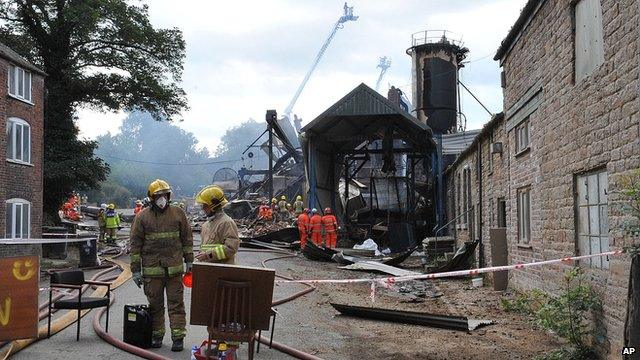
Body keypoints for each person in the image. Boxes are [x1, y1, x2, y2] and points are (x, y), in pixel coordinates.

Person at [129, 179, 193, 351]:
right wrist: (135, 271)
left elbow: (187, 239)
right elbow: (135, 246)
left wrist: (190, 261)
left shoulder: (178, 213)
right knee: (155, 306)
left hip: (174, 271)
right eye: (158, 196)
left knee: (176, 305)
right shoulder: (142, 217)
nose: (162, 198)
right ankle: (157, 336)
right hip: (152, 272)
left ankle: (178, 337)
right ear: (151, 198)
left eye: (164, 195)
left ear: (169, 195)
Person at [194, 185, 240, 264]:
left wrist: (208, 255)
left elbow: (231, 248)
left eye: (205, 205)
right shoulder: (206, 225)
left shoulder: (226, 223)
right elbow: (205, 247)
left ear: (214, 206)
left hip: (221, 270)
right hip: (208, 268)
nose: (203, 208)